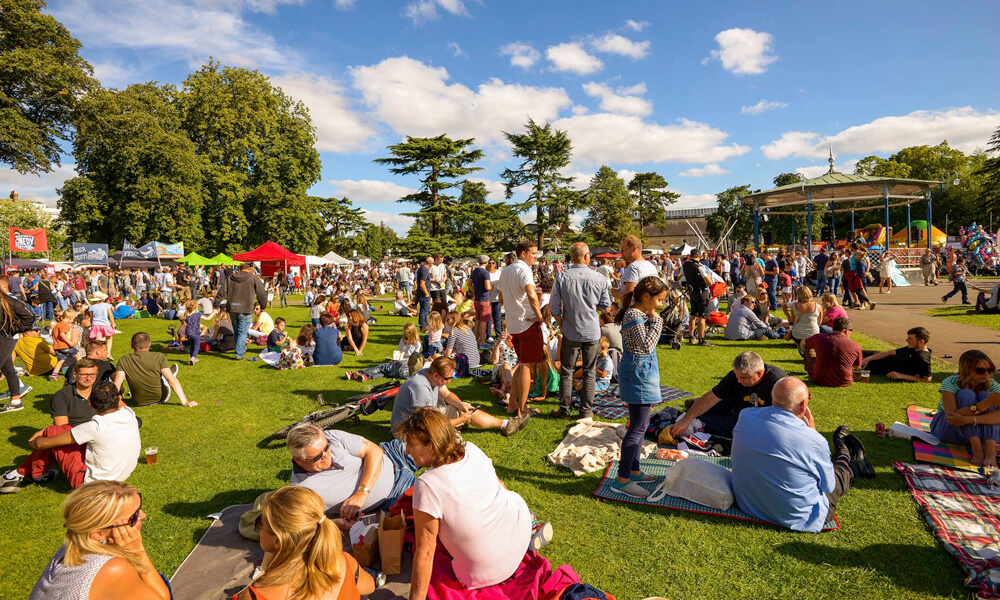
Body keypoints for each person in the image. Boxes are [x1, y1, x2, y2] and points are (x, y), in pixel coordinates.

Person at [399, 408, 534, 599]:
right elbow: (499, 485)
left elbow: (425, 553)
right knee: (504, 494)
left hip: (483, 572)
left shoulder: (427, 484)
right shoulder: (471, 448)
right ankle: (528, 523)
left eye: (411, 444)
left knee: (432, 553)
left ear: (431, 445)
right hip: (520, 534)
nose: (407, 451)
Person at [731, 377, 870, 533]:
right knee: (838, 474)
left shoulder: (746, 415)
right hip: (799, 517)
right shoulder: (813, 440)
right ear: (803, 404)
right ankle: (851, 460)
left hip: (749, 504)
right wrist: (812, 433)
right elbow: (828, 486)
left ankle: (844, 450)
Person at [27, 480, 171, 600]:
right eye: (132, 517)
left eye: (140, 507)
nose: (143, 515)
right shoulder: (113, 569)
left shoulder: (71, 545)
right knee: (158, 579)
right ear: (98, 534)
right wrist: (138, 552)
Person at [1, 382, 141, 493]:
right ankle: (30, 474)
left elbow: (43, 444)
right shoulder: (128, 413)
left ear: (90, 404)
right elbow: (75, 431)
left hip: (90, 483)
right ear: (118, 400)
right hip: (120, 476)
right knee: (65, 430)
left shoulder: (95, 426)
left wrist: (36, 441)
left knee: (54, 430)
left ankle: (21, 474)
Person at [239, 486, 375, 600]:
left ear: (277, 541)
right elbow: (369, 586)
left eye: (259, 524)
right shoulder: (343, 562)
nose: (258, 528)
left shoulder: (257, 595)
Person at [286, 424, 417, 525]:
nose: (326, 456)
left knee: (433, 441)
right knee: (432, 503)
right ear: (298, 459)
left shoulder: (332, 436)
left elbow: (374, 451)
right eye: (317, 456)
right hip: (394, 493)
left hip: (393, 454)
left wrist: (362, 493)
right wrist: (336, 524)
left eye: (326, 448)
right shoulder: (302, 489)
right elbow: (307, 524)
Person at [610, 276, 667, 498]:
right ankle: (623, 479)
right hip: (639, 375)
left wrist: (652, 319)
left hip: (640, 373)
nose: (659, 305)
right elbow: (646, 346)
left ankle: (633, 470)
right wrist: (658, 322)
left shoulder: (637, 314)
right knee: (637, 428)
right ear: (646, 297)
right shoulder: (634, 314)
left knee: (639, 426)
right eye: (659, 300)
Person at [389, 356, 526, 436]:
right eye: (447, 378)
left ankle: (506, 424)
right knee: (454, 443)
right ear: (437, 375)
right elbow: (430, 425)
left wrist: (460, 404)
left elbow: (447, 394)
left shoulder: (430, 374)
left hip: (424, 419)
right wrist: (460, 419)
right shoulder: (420, 387)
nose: (449, 381)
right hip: (408, 432)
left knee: (466, 411)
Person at [550, 242, 612, 419]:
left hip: (571, 330)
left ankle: (565, 410)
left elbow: (554, 309)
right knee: (589, 372)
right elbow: (606, 307)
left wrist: (563, 324)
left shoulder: (562, 277)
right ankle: (586, 411)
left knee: (567, 371)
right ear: (586, 256)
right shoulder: (598, 278)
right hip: (591, 331)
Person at [671, 351, 788, 439]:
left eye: (743, 378)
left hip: (751, 422)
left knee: (702, 421)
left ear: (759, 373)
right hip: (735, 403)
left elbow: (792, 410)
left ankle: (695, 405)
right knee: (697, 411)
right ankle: (694, 403)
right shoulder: (735, 377)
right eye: (736, 376)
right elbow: (712, 397)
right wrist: (686, 419)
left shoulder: (779, 382)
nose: (738, 381)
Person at [497, 240, 543, 423]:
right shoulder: (524, 269)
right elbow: (531, 295)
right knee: (526, 366)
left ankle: (512, 405)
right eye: (533, 253)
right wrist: (540, 316)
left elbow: (500, 297)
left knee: (521, 363)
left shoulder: (506, 270)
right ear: (523, 254)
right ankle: (522, 410)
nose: (536, 257)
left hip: (514, 325)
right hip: (527, 324)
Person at [929, 350, 1000, 468]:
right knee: (966, 394)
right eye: (980, 370)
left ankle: (990, 452)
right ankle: (976, 448)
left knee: (986, 395)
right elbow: (952, 416)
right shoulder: (951, 382)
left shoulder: (992, 385)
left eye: (990, 370)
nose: (986, 374)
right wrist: (983, 405)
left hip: (982, 433)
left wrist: (969, 419)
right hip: (951, 429)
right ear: (967, 369)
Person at [113, 332, 197, 407]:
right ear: (149, 344)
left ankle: (168, 373)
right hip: (161, 397)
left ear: (131, 345)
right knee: (167, 377)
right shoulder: (158, 357)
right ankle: (170, 372)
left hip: (138, 401)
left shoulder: (124, 359)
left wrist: (110, 404)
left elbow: (117, 384)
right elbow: (172, 381)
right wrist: (185, 402)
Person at [216, 263, 268, 360]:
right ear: (248, 270)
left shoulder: (231, 278)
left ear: (239, 269)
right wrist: (263, 305)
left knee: (237, 330)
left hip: (232, 308)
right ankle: (239, 353)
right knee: (242, 331)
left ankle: (239, 348)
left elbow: (221, 291)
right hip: (245, 308)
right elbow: (262, 293)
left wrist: (216, 304)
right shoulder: (253, 278)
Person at [347, 322, 421, 382]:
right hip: (399, 362)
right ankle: (366, 377)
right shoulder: (402, 340)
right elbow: (400, 352)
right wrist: (396, 358)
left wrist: (402, 359)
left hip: (406, 365)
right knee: (385, 373)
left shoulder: (417, 344)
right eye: (405, 334)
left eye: (408, 334)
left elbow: (413, 360)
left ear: (412, 333)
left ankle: (359, 373)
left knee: (381, 368)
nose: (406, 336)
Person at [803, 317, 862, 387]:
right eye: (851, 330)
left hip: (818, 379)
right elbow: (857, 367)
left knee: (808, 347)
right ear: (846, 331)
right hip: (843, 381)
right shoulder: (855, 345)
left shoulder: (818, 338)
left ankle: (813, 370)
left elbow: (803, 343)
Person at [860, 327, 933, 382]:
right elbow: (889, 352)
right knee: (855, 351)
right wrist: (868, 358)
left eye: (910, 338)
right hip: (878, 356)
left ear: (921, 342)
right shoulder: (912, 347)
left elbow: (927, 379)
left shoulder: (922, 357)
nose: (907, 340)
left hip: (880, 366)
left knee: (851, 359)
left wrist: (901, 376)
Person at [682, 248, 714, 346]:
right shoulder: (700, 266)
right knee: (702, 316)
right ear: (699, 256)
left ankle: (691, 337)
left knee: (693, 315)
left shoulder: (685, 265)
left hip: (693, 292)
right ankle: (701, 338)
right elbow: (709, 283)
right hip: (702, 292)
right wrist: (708, 275)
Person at [612, 235, 659, 301]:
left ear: (633, 249)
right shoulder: (651, 266)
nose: (621, 252)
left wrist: (614, 293)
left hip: (632, 309)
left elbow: (629, 296)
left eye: (623, 249)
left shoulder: (633, 267)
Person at [469, 255, 493, 345]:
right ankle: (482, 342)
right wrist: (492, 287)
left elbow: (469, 284)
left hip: (477, 299)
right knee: (484, 321)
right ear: (486, 262)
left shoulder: (474, 271)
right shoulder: (485, 273)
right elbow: (487, 287)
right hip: (484, 299)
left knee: (478, 320)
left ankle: (476, 340)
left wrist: (474, 291)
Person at [415, 256, 433, 331]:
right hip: (423, 294)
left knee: (424, 310)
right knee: (425, 310)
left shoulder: (421, 268)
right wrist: (426, 294)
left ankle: (424, 326)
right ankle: (423, 326)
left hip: (421, 293)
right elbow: (422, 283)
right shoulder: (425, 270)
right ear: (431, 264)